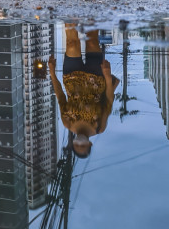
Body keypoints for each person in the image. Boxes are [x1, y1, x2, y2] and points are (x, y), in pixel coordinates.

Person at [48, 26, 119, 158]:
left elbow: (60, 97)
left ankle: (70, 14)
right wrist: (108, 77)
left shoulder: (67, 123)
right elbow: (109, 100)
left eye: (77, 145)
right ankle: (93, 10)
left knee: (72, 44)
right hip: (96, 78)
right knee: (92, 40)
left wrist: (52, 72)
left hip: (72, 77)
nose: (80, 143)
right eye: (83, 145)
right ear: (90, 144)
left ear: (73, 144)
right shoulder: (99, 128)